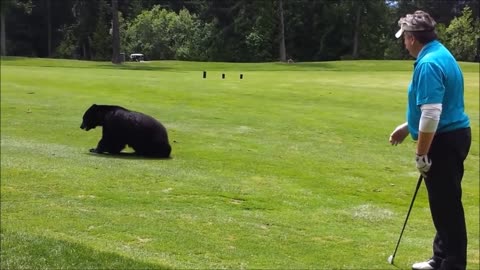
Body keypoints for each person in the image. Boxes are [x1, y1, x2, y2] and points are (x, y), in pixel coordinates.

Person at [389, 10, 471, 270]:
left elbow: (432, 113)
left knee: (446, 205)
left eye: (405, 38)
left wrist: (421, 154)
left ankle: (452, 264)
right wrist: (407, 126)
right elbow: (437, 105)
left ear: (412, 38)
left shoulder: (428, 64)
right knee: (443, 202)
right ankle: (441, 257)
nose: (404, 43)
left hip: (443, 140)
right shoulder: (440, 53)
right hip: (452, 134)